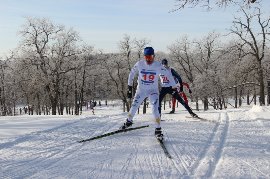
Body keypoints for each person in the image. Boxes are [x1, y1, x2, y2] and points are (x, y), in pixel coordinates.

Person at [120, 47, 177, 140]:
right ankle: (128, 122)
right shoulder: (140, 64)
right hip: (141, 90)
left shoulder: (158, 65)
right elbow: (131, 74)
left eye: (150, 57)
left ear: (153, 56)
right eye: (146, 57)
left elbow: (168, 75)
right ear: (144, 56)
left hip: (152, 91)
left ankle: (158, 129)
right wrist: (129, 88)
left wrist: (174, 86)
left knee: (155, 109)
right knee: (134, 106)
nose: (148, 60)